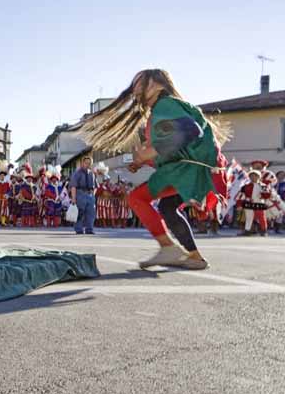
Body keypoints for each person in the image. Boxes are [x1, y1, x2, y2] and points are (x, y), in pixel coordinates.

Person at [82, 69, 229, 269]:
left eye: (139, 83)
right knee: (167, 207)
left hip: (188, 171)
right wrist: (145, 160)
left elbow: (191, 130)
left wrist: (148, 152)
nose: (134, 89)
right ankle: (194, 256)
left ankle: (168, 248)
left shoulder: (165, 104)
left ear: (157, 84)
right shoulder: (162, 110)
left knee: (136, 198)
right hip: (191, 170)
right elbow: (175, 148)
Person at [69, 157, 97, 234]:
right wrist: (73, 198)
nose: (87, 165)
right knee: (79, 213)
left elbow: (95, 186)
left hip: (90, 195)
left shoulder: (92, 174)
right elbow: (73, 186)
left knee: (91, 213)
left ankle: (89, 229)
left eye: (89, 163)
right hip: (80, 193)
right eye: (86, 163)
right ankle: (79, 229)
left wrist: (93, 195)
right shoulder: (77, 173)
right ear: (82, 163)